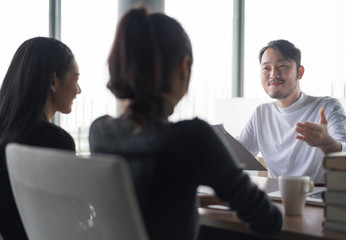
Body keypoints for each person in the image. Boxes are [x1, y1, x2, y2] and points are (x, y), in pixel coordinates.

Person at [89, 7, 282, 240]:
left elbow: (145, 200)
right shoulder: (192, 137)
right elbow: (267, 220)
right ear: (183, 66)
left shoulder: (100, 132)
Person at [237, 39, 346, 183]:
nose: (273, 74)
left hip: (317, 198)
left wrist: (327, 143)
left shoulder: (327, 107)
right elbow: (235, 157)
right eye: (266, 68)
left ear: (300, 72)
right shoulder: (261, 114)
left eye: (282, 66)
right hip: (276, 199)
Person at [0, 37, 81, 240]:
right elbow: (65, 224)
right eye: (76, 79)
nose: (78, 90)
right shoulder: (55, 141)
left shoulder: (5, 135)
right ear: (53, 81)